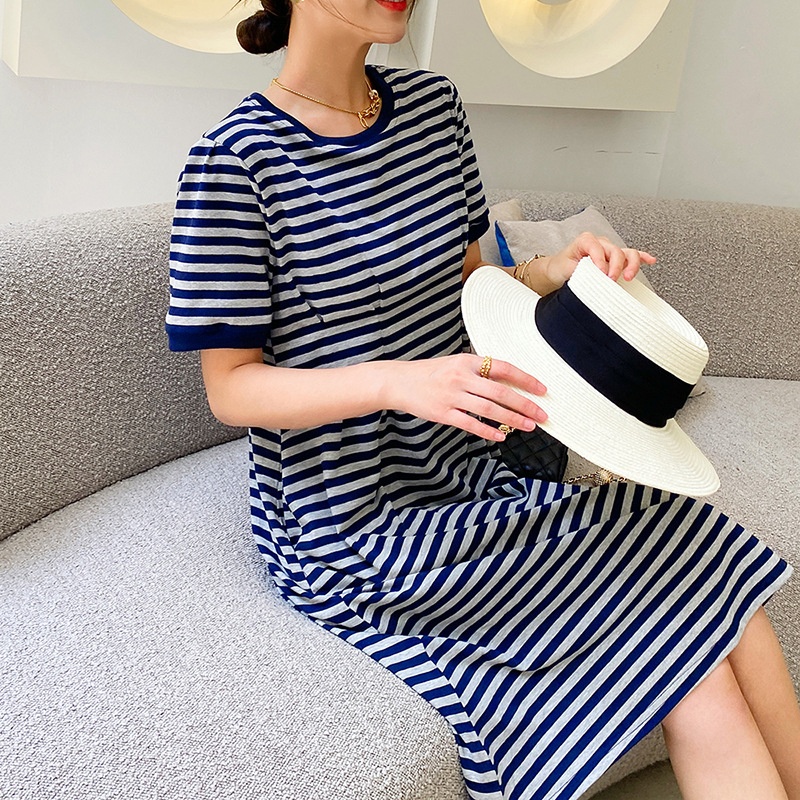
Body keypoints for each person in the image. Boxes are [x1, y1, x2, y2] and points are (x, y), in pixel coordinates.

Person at [163, 1, 800, 798]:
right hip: (352, 517)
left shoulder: (433, 107)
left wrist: (553, 272)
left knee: (724, 591)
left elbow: (470, 286)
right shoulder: (234, 161)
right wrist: (397, 379)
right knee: (696, 670)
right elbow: (231, 389)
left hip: (473, 466)